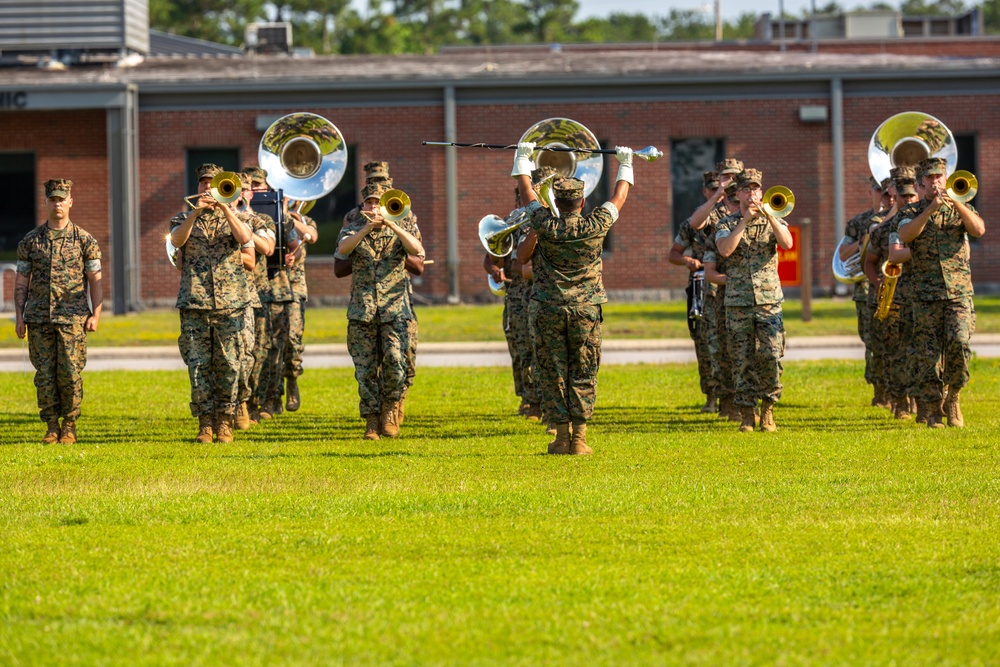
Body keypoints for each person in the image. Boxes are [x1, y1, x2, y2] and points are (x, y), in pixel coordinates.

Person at [513, 142, 635, 455]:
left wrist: (523, 157)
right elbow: (619, 196)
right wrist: (626, 162)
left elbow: (527, 191)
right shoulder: (596, 225)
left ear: (557, 200)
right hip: (585, 311)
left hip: (548, 308)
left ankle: (561, 437)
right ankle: (580, 439)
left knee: (552, 371)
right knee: (583, 371)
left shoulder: (544, 224)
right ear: (581, 201)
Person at [891, 156, 985, 428]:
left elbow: (978, 229)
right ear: (921, 183)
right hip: (925, 296)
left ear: (946, 178)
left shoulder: (961, 206)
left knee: (959, 343)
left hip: (958, 293)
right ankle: (932, 410)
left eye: (939, 176)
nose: (936, 181)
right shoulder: (910, 212)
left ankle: (953, 397)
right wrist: (930, 210)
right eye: (930, 178)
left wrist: (956, 202)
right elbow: (906, 236)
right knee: (928, 356)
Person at [169, 164, 256, 443]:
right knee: (198, 366)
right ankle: (205, 423)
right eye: (203, 183)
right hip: (195, 302)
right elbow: (175, 241)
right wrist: (195, 213)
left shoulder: (238, 218)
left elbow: (245, 239)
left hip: (231, 304)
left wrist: (226, 208)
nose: (207, 187)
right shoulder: (181, 218)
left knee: (230, 365)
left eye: (212, 183)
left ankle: (225, 422)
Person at [14, 179, 103, 444]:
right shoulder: (31, 241)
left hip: (72, 319)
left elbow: (96, 278)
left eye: (62, 199)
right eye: (53, 199)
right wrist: (19, 316)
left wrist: (96, 314)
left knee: (71, 374)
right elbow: (21, 281)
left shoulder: (85, 240)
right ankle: (51, 425)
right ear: (46, 202)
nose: (57, 204)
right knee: (44, 375)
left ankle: (70, 425)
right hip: (39, 319)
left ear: (70, 202)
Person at [336, 182, 425, 440]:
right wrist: (366, 228)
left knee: (396, 364)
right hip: (362, 311)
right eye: (370, 203)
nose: (374, 207)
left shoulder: (402, 228)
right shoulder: (351, 229)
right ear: (362, 206)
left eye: (379, 202)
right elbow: (343, 251)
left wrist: (393, 224)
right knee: (365, 370)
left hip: (394, 311)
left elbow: (417, 250)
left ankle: (390, 411)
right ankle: (372, 421)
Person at [716, 168, 794, 432]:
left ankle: (768, 409)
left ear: (762, 192)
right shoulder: (725, 223)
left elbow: (787, 244)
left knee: (772, 355)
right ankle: (747, 413)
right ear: (737, 194)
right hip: (738, 302)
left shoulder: (773, 216)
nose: (752, 194)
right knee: (741, 359)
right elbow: (725, 250)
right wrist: (744, 222)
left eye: (756, 189)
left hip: (768, 301)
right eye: (747, 189)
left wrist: (770, 217)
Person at [865, 167, 917, 420]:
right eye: (903, 196)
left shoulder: (925, 221)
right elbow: (869, 262)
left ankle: (919, 399)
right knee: (895, 352)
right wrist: (880, 287)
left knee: (919, 350)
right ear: (895, 196)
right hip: (894, 297)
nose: (908, 200)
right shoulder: (884, 228)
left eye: (911, 196)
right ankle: (899, 401)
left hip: (920, 296)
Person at [668, 170, 722, 413]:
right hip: (702, 288)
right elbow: (674, 253)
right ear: (705, 191)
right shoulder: (696, 220)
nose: (718, 193)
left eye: (721, 189)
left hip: (726, 285)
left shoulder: (734, 216)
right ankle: (711, 397)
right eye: (712, 189)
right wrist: (687, 261)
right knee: (703, 344)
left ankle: (732, 398)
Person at [840, 176, 885, 403]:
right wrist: (864, 240)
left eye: (886, 190)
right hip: (865, 290)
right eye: (878, 189)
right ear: (871, 191)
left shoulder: (899, 217)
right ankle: (879, 387)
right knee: (871, 340)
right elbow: (842, 254)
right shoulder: (858, 222)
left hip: (894, 283)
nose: (882, 194)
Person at [701, 179, 743, 423]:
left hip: (752, 301)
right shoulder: (720, 230)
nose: (738, 206)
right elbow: (710, 272)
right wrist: (737, 280)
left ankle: (749, 402)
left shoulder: (762, 226)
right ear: (728, 201)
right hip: (722, 301)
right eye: (734, 201)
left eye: (741, 203)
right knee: (723, 353)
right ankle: (727, 402)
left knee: (751, 354)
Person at [238, 167, 276, 427]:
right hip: (227, 297)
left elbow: (267, 248)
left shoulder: (260, 219)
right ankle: (237, 404)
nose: (238, 194)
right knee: (235, 354)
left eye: (243, 190)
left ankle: (253, 403)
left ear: (249, 194)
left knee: (257, 352)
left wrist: (241, 222)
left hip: (257, 295)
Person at [282, 203, 318, 412]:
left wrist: (287, 217)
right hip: (264, 285)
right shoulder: (260, 215)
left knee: (292, 338)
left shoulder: (303, 219)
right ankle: (271, 395)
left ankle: (292, 379)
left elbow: (311, 237)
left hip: (293, 287)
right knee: (266, 343)